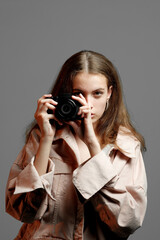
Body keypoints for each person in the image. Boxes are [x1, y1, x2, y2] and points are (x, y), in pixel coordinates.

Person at [5, 50, 147, 240]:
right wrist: (46, 139)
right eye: (78, 94)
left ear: (109, 94)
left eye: (97, 93)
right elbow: (22, 212)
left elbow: (126, 222)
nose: (87, 104)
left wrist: (92, 145)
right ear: (65, 95)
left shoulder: (127, 146)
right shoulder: (42, 137)